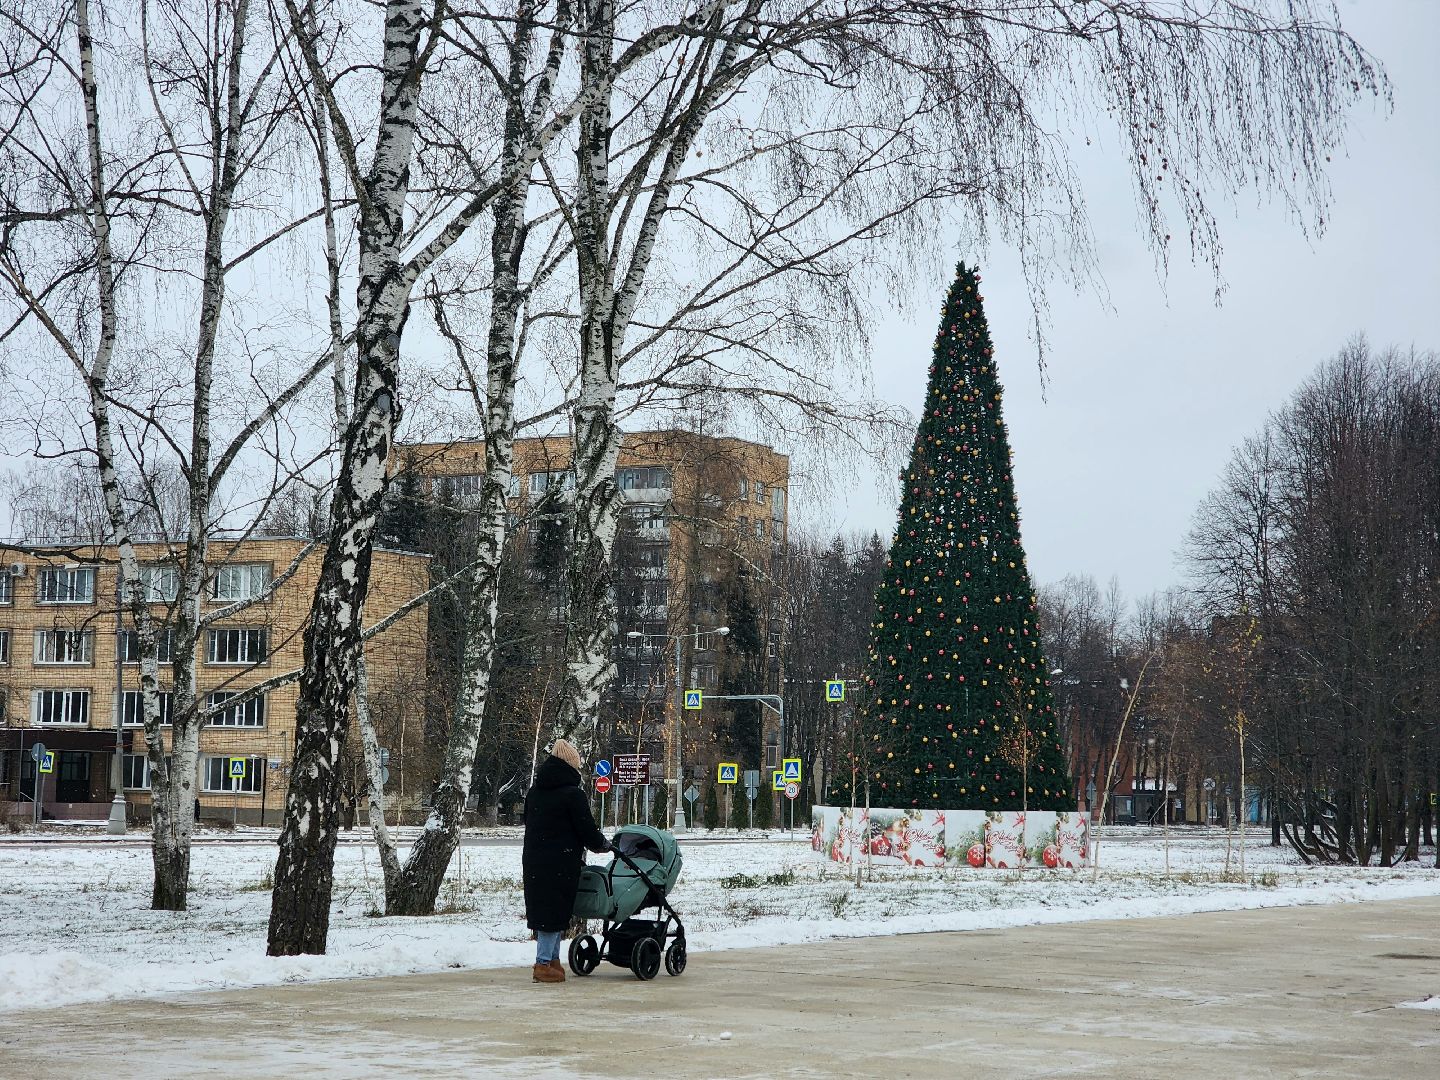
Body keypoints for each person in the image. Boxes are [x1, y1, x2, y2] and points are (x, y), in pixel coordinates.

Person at [522, 739, 610, 983]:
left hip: (533, 859)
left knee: (546, 909)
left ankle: (552, 961)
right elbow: (587, 830)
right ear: (571, 767)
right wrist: (602, 844)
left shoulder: (534, 792)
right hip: (561, 861)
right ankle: (542, 964)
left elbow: (528, 822)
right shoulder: (573, 795)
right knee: (554, 911)